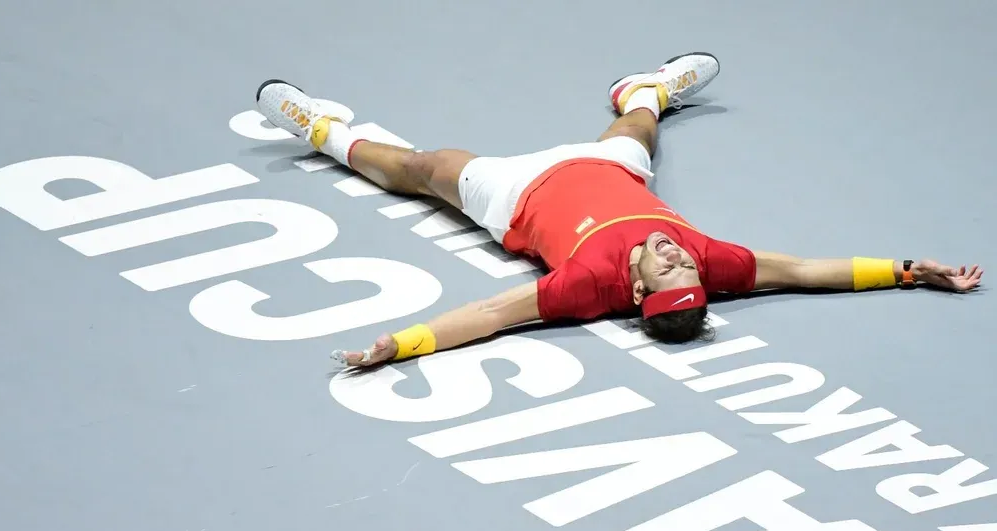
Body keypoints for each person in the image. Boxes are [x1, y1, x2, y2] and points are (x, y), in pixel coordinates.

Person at [254, 53, 983, 368]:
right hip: (610, 170)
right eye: (686, 266)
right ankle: (647, 89)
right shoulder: (711, 266)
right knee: (638, 130)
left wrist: (401, 343)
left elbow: (487, 316)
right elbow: (801, 271)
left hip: (518, 193)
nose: (678, 255)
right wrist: (908, 270)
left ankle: (323, 131)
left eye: (669, 269)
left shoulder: (586, 286)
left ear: (635, 292)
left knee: (420, 170)